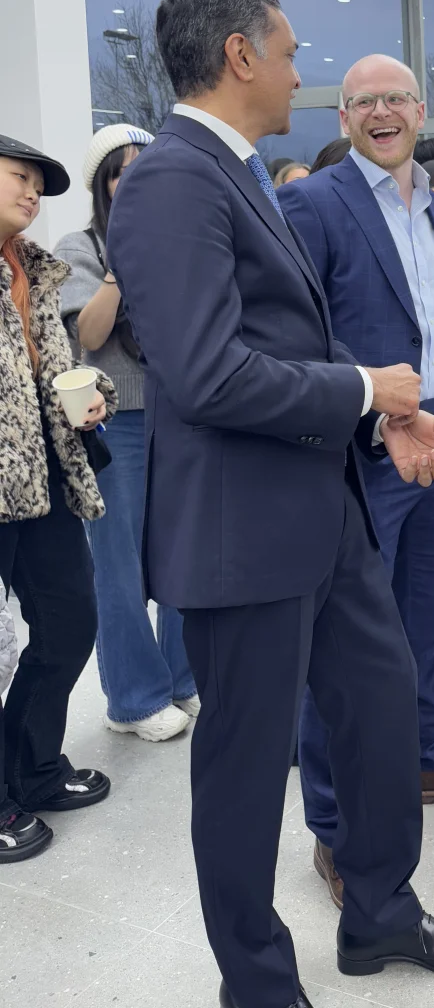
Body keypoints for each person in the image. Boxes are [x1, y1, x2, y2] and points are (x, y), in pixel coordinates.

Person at [107, 0, 434, 1008]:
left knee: (378, 716)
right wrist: (366, 384)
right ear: (239, 56)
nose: (304, 76)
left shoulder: (245, 170)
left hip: (322, 516)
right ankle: (259, 984)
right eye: (289, 54)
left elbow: (293, 333)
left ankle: (382, 914)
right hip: (242, 539)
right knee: (244, 776)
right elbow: (202, 371)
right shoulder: (172, 179)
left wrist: (385, 411)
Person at [280, 56, 434, 910]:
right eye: (363, 101)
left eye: (396, 99)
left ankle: (429, 756)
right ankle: (333, 828)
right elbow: (292, 327)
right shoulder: (311, 203)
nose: (382, 112)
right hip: (372, 447)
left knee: (427, 621)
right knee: (346, 648)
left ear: (423, 112)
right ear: (344, 117)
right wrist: (383, 409)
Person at [55, 125, 197, 744]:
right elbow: (87, 335)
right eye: (120, 170)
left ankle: (182, 678)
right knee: (118, 564)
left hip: (181, 416)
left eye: (145, 166)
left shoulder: (179, 239)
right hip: (117, 423)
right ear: (101, 184)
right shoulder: (78, 246)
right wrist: (121, 268)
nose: (133, 178)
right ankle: (133, 699)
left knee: (180, 556)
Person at [0, 135, 114, 865]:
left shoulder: (33, 268)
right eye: (19, 178)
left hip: (41, 477)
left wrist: (91, 395)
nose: (32, 193)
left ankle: (34, 770)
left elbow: (56, 367)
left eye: (38, 185)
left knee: (70, 625)